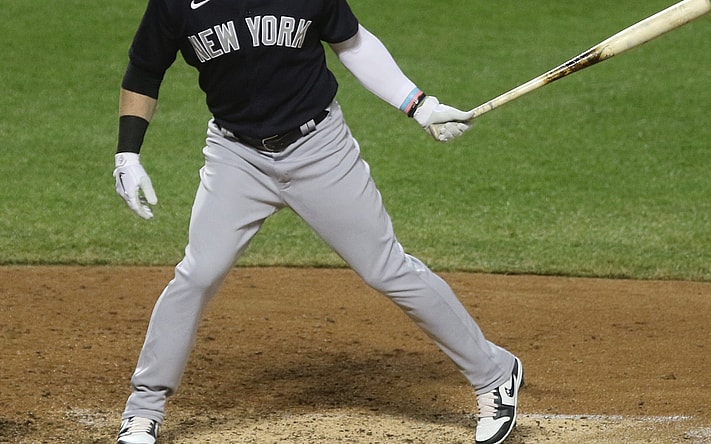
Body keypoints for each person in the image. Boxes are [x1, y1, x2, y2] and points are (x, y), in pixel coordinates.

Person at [112, 1, 522, 443]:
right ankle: (144, 408)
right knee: (197, 274)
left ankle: (495, 373)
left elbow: (353, 42)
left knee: (386, 267)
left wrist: (418, 105)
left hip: (319, 149)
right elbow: (144, 70)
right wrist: (127, 153)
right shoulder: (176, 3)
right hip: (237, 156)